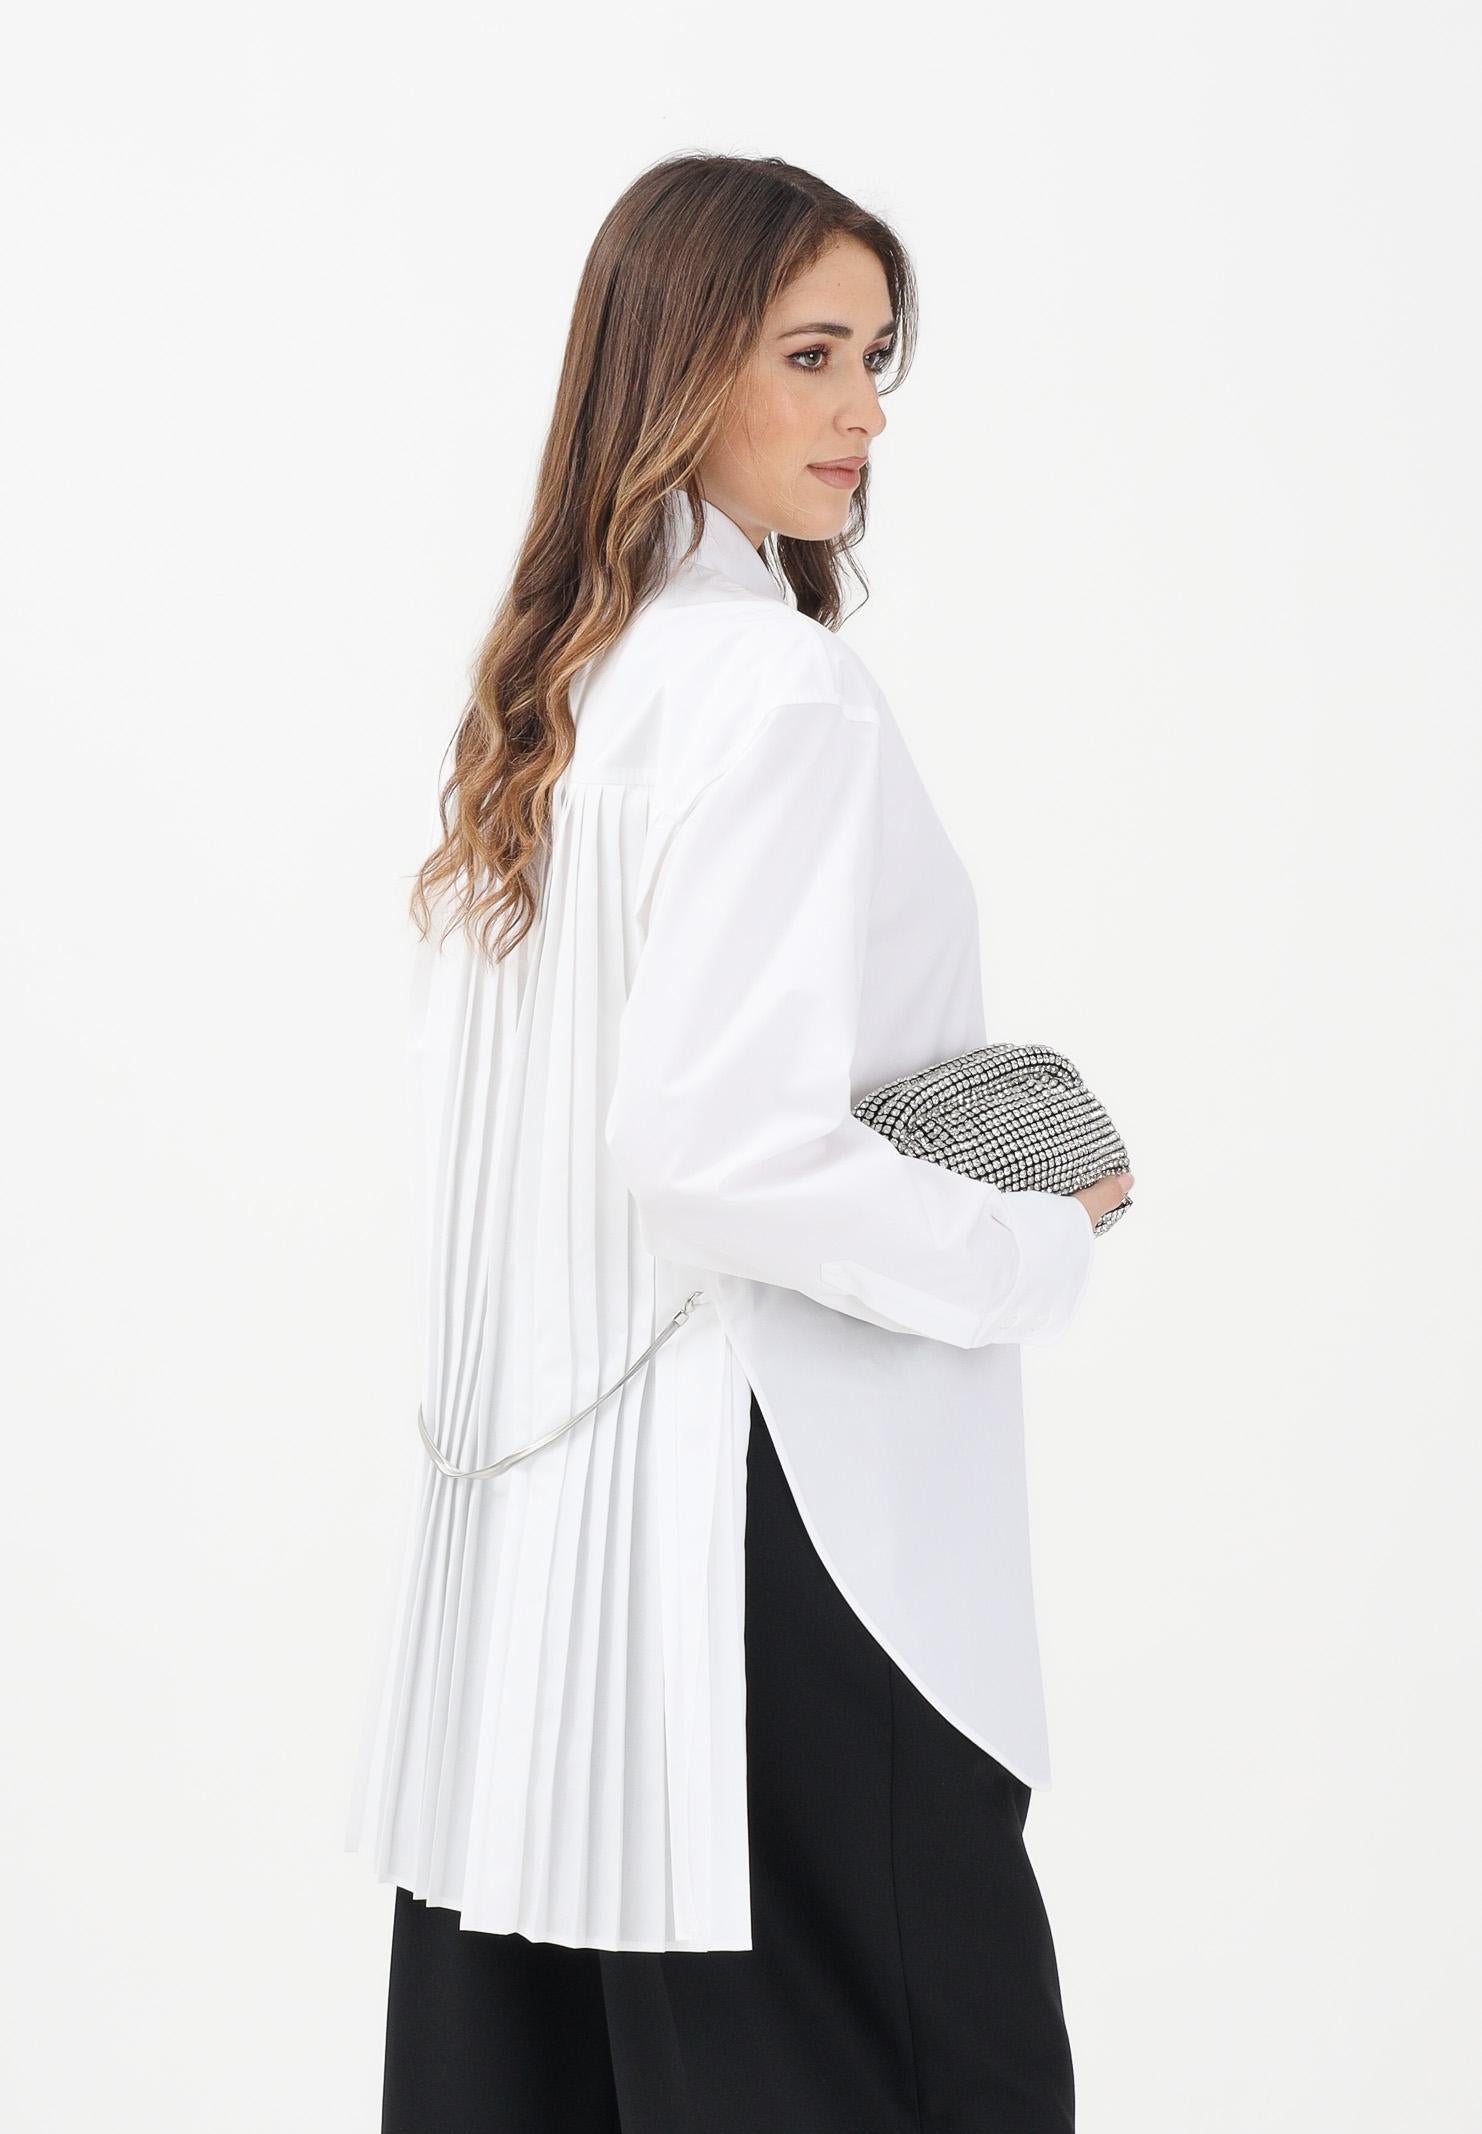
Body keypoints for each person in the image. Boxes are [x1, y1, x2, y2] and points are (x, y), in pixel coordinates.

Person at [344, 149, 1133, 2133]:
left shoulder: (556, 693)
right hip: (774, 1520)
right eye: (811, 354)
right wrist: (1038, 1235)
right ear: (679, 366)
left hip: (551, 1555)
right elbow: (711, 1150)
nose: (865, 408)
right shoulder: (779, 691)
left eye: (876, 356)